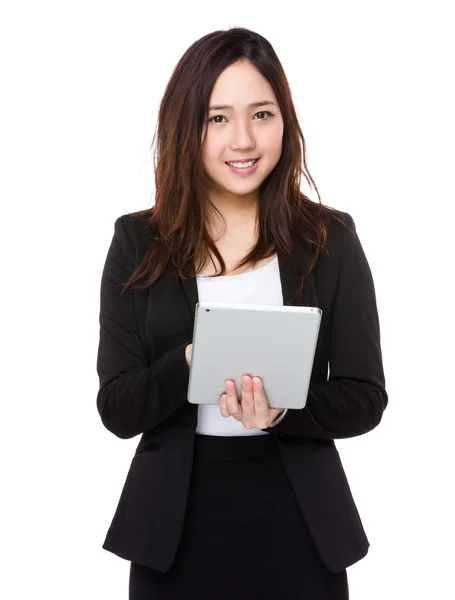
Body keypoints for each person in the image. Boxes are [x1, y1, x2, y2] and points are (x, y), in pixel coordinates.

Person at [96, 26, 388, 600]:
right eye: (218, 118)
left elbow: (364, 397)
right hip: (173, 528)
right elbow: (118, 408)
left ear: (286, 121)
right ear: (186, 127)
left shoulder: (329, 239)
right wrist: (189, 361)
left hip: (300, 519)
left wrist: (283, 411)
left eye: (263, 113)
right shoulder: (138, 242)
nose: (245, 140)